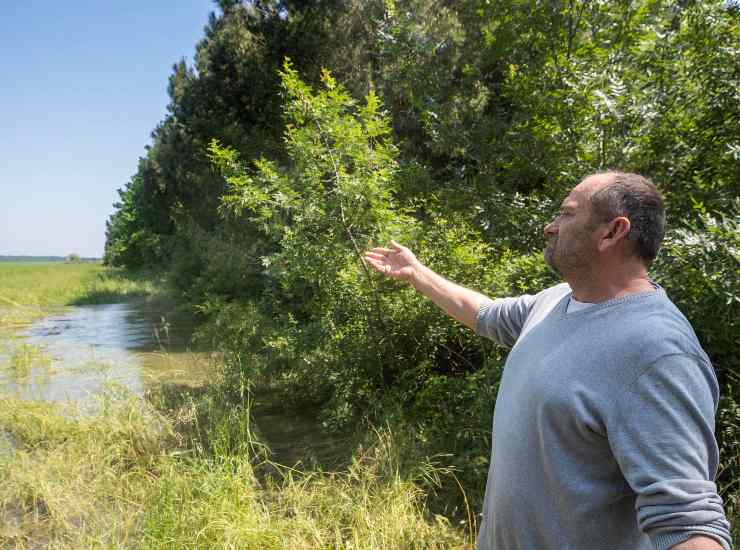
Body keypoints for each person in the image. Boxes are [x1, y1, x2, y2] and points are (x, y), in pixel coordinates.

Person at [363, 172, 732, 550]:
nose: (549, 227)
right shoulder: (556, 300)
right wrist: (416, 273)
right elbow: (486, 314)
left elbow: (687, 521)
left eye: (567, 214)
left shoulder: (656, 352)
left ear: (611, 232)